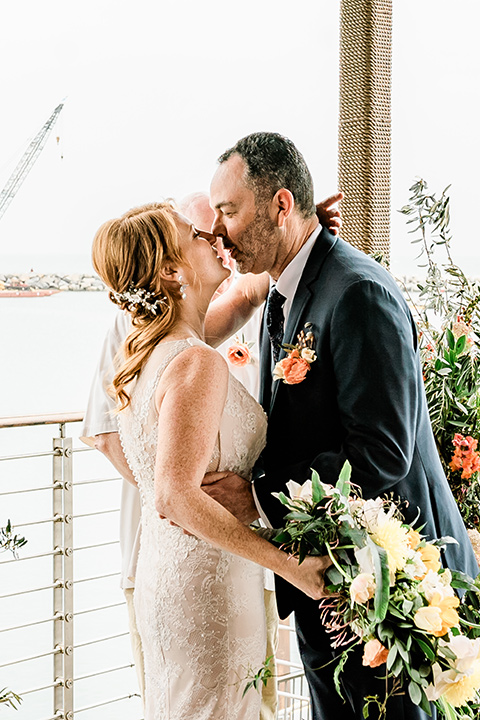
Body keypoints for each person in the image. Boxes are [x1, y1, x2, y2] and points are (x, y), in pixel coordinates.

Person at [204, 131, 479, 720]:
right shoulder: (287, 294)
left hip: (387, 591)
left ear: (280, 205)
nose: (219, 229)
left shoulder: (355, 293)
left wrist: (258, 493)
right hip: (326, 580)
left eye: (229, 211)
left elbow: (380, 455)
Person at [90, 201, 331, 720]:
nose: (214, 236)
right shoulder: (194, 361)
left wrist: (299, 236)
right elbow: (173, 494)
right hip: (208, 587)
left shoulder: (146, 354)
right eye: (197, 234)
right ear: (172, 271)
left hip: (173, 573)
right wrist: (294, 568)